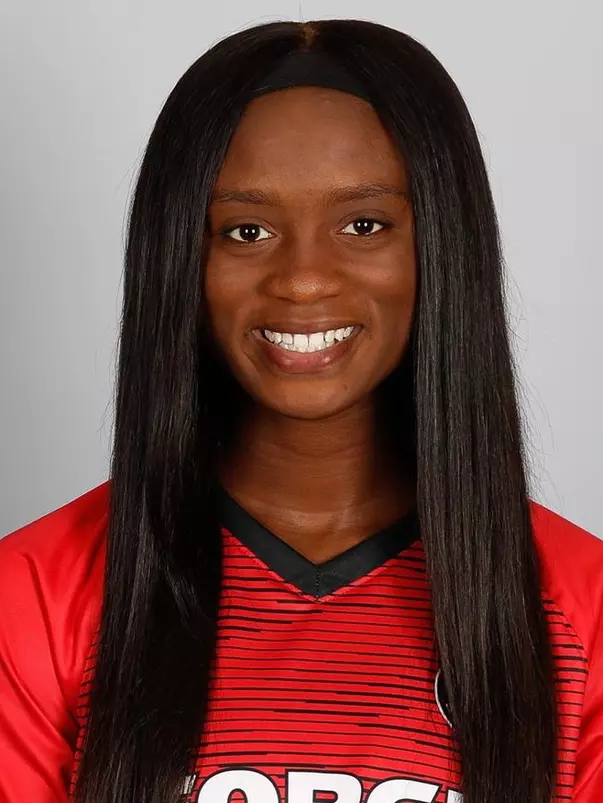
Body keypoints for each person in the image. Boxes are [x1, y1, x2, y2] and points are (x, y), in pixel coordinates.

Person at [0, 17, 601, 803]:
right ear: (183, 254)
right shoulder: (36, 593)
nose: (304, 278)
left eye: (363, 225)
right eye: (245, 230)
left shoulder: (577, 607)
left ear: (440, 245)